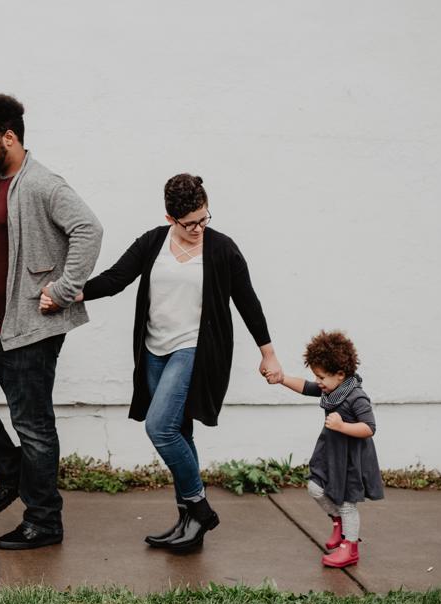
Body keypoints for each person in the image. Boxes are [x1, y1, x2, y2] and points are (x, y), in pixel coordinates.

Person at [41, 173, 283, 551]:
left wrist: (267, 352)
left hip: (194, 350)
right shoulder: (154, 242)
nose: (199, 228)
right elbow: (116, 278)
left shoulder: (222, 249)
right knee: (179, 432)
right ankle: (189, 524)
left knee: (160, 428)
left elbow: (247, 301)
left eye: (205, 219)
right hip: (154, 351)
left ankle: (200, 509)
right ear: (171, 219)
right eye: (190, 224)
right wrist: (69, 294)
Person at [0, 93, 103, 550]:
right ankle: (12, 474)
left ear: (9, 137)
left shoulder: (44, 184)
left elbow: (90, 229)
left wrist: (64, 289)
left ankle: (44, 521)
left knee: (33, 425)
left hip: (27, 329)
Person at [272, 329, 384, 568]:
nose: (318, 382)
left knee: (346, 503)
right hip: (331, 453)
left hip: (350, 459)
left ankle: (350, 547)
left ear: (340, 374)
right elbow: (305, 386)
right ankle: (338, 522)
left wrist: (343, 426)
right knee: (314, 487)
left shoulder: (356, 397)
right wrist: (282, 379)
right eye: (317, 376)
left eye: (321, 377)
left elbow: (369, 428)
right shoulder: (331, 390)